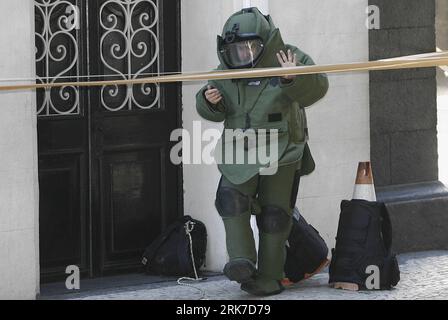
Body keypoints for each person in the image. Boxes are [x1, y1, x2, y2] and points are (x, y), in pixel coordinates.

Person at [195, 7, 329, 296]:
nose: (241, 56)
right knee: (230, 198)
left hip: (282, 150)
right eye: (234, 50)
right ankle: (241, 259)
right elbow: (209, 107)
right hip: (240, 149)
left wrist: (293, 78)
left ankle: (269, 278)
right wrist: (210, 100)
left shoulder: (289, 58)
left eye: (248, 48)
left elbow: (319, 87)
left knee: (274, 214)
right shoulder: (224, 72)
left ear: (264, 43)